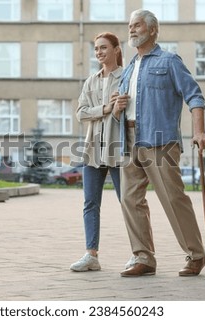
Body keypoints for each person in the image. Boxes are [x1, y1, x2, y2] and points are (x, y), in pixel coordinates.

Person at [114, 9, 205, 277]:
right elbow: (122, 106)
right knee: (130, 199)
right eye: (129, 26)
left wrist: (199, 132)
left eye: (137, 25)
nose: (131, 30)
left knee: (173, 198)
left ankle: (196, 254)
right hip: (129, 139)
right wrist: (116, 106)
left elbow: (194, 96)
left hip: (160, 141)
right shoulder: (130, 67)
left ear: (152, 29)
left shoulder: (169, 61)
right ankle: (143, 257)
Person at [70, 32, 123, 272]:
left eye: (103, 47)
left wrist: (118, 107)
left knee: (130, 203)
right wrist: (105, 108)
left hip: (119, 150)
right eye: (96, 48)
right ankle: (91, 255)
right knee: (90, 203)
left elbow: (130, 110)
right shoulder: (91, 81)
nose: (99, 52)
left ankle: (141, 253)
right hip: (92, 150)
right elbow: (80, 113)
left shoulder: (126, 77)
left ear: (116, 49)